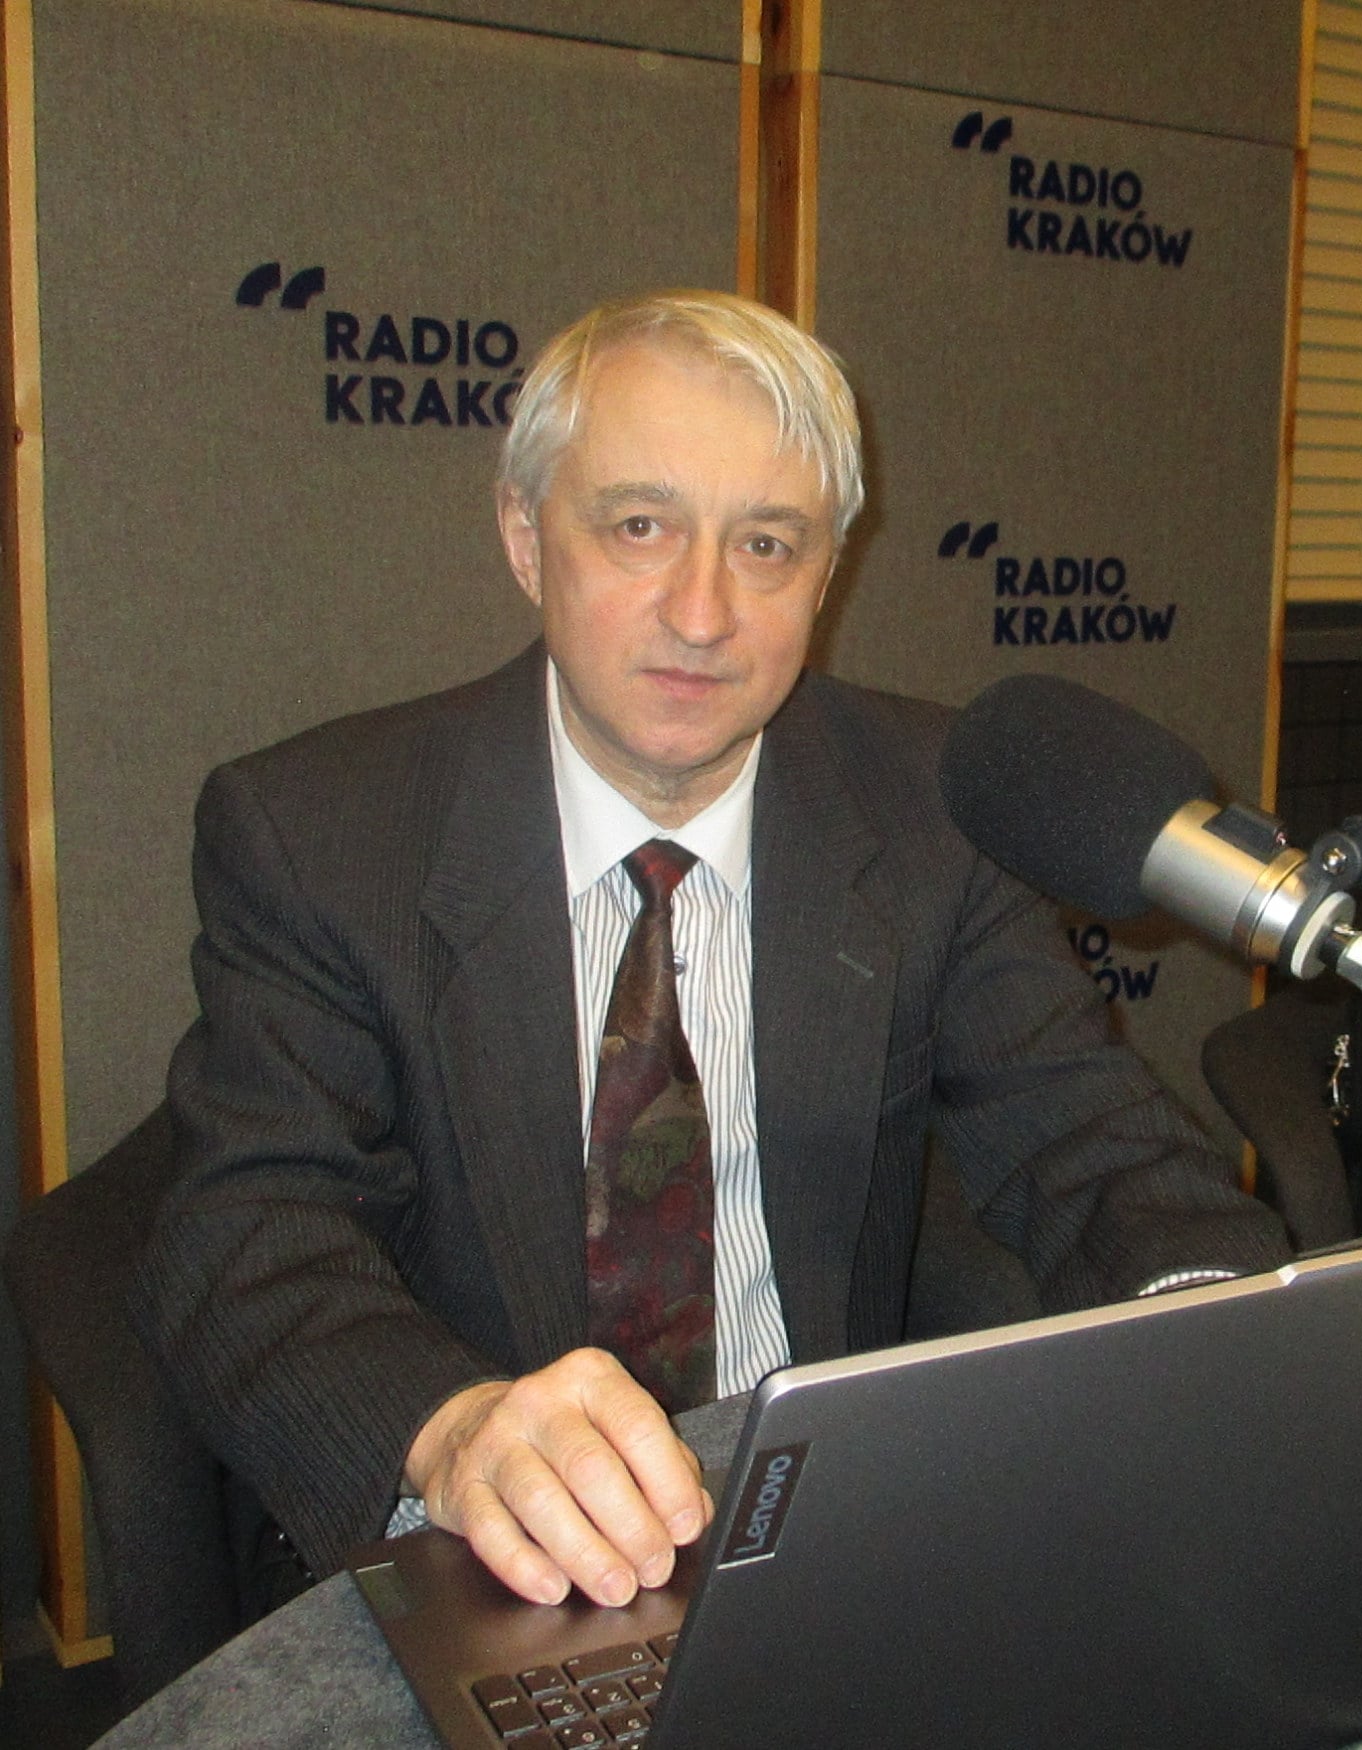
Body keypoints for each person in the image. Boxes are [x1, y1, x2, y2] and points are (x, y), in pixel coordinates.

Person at [132, 289, 1288, 1618]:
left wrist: (1213, 1329)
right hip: (474, 1540)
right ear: (525, 538)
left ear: (827, 575)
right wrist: (452, 1431)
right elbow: (250, 1232)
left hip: (811, 1529)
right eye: (640, 526)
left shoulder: (927, 812)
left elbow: (1092, 1143)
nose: (701, 611)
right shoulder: (322, 835)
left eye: (767, 545)